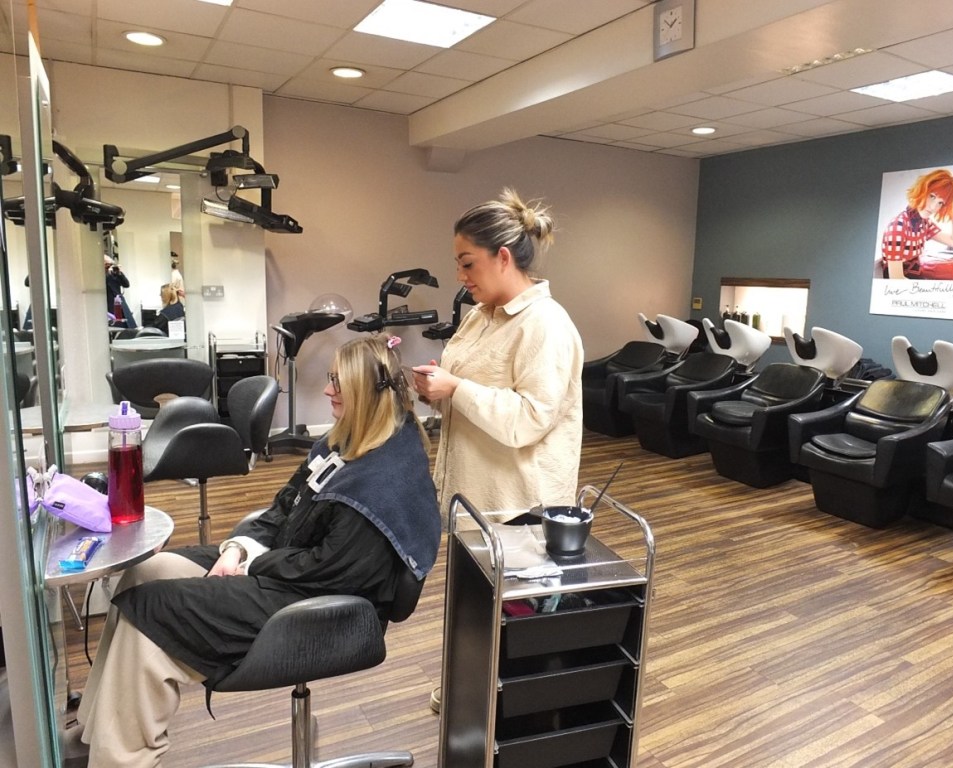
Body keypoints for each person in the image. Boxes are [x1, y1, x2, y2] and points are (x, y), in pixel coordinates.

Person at [73, 335, 441, 767]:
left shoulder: (383, 478)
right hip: (284, 571)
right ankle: (91, 736)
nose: (327, 391)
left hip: (317, 602)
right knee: (146, 573)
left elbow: (332, 571)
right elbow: (285, 506)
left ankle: (123, 759)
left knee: (149, 615)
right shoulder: (343, 445)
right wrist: (236, 548)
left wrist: (250, 563)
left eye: (338, 383)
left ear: (365, 392)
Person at [410, 188, 584, 713]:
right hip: (474, 492)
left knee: (513, 615)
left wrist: (456, 390)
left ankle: (504, 706)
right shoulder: (482, 314)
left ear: (503, 257)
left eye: (468, 263)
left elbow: (531, 418)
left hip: (518, 502)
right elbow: (468, 388)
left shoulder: (545, 325)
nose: (461, 275)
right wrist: (437, 392)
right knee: (471, 607)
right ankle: (471, 688)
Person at [880, 168, 953, 279]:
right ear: (922, 190)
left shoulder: (924, 223)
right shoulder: (898, 227)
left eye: (940, 203)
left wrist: (952, 210)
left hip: (916, 278)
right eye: (932, 196)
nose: (933, 207)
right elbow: (896, 279)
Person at [104, 254, 137, 328]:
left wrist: (120, 273)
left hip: (120, 303)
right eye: (107, 265)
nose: (109, 267)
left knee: (128, 326)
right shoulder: (101, 275)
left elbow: (126, 284)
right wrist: (107, 273)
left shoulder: (115, 274)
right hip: (110, 306)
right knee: (116, 327)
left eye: (111, 264)